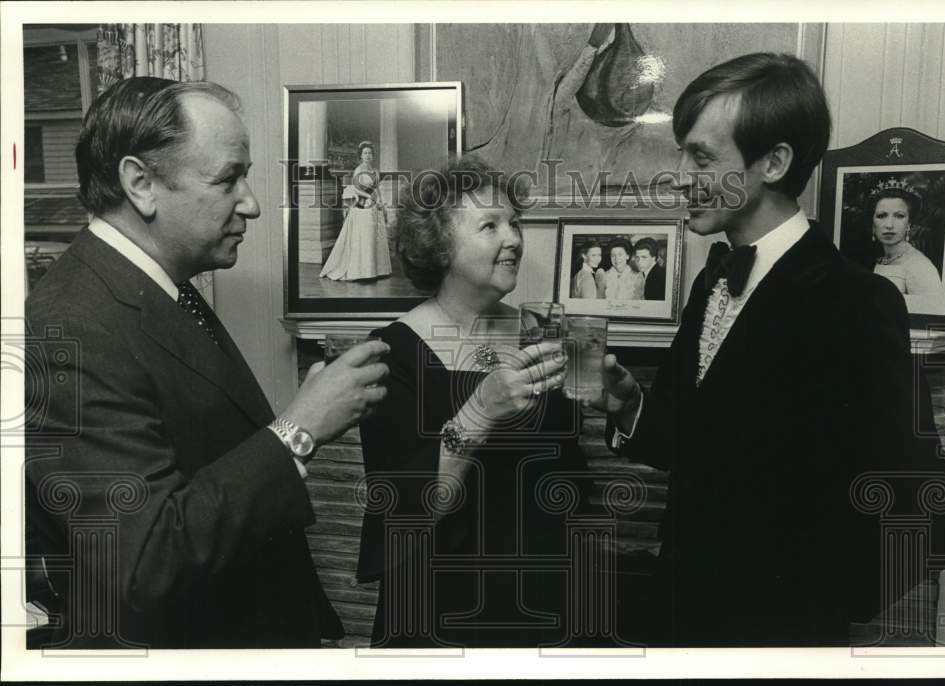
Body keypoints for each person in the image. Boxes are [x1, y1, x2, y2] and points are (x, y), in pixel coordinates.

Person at [592, 53, 945, 646]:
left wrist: (810, 608)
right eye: (681, 152)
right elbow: (691, 448)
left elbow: (914, 503)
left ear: (775, 161)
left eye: (703, 156)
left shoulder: (855, 300)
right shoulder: (711, 280)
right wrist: (633, 408)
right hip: (681, 614)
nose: (680, 174)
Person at [24, 77, 390, 649]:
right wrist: (299, 431)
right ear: (140, 183)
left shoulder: (165, 284)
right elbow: (142, 563)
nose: (253, 203)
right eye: (228, 179)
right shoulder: (70, 324)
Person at [356, 156, 598, 648]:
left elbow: (569, 471)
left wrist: (601, 398)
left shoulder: (543, 331)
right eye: (489, 225)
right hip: (447, 606)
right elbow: (408, 513)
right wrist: (480, 410)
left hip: (549, 596)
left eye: (514, 222)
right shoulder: (391, 352)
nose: (513, 237)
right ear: (439, 247)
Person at [319, 140, 392, 281]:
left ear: (373, 155)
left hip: (375, 206)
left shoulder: (375, 171)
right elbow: (357, 189)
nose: (368, 155)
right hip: (363, 205)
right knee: (365, 237)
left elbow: (377, 188)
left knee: (374, 237)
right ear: (361, 156)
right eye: (365, 153)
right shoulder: (359, 170)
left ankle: (375, 271)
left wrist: (381, 203)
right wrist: (370, 197)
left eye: (370, 153)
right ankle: (363, 272)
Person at [868, 181, 944, 306]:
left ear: (909, 224)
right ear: (873, 225)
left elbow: (930, 315)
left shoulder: (920, 267)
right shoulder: (881, 260)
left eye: (899, 216)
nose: (889, 225)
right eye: (881, 216)